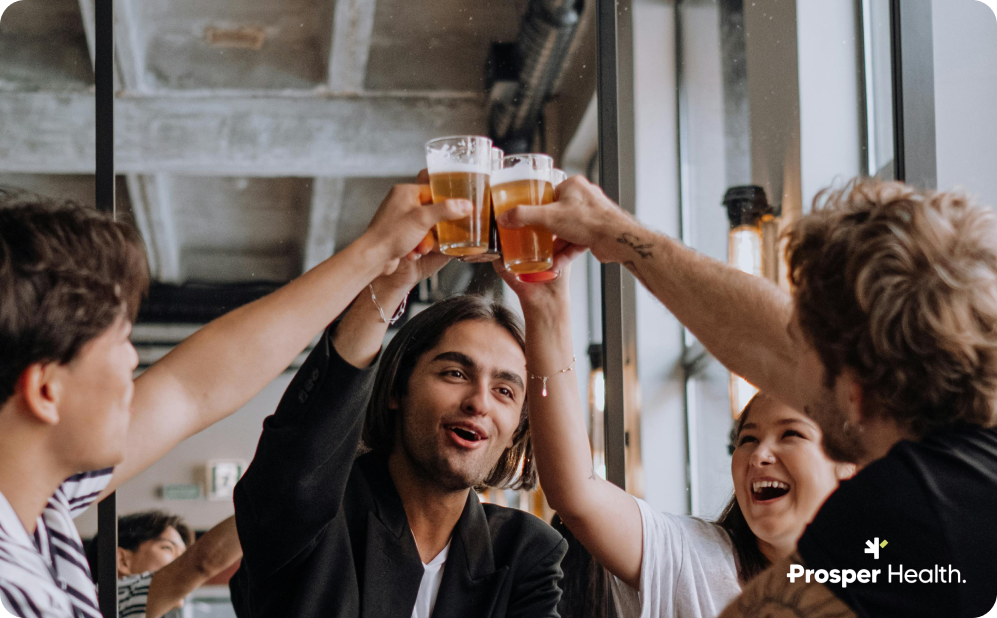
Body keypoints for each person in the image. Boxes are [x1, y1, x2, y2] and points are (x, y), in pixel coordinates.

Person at [498, 177, 997, 617]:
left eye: (807, 352)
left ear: (857, 392)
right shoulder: (969, 467)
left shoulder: (909, 508)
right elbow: (765, 339)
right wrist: (614, 235)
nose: (790, 373)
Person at [0, 183, 467, 618]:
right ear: (46, 392)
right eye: (118, 342)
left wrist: (378, 261)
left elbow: (191, 386)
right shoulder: (16, 589)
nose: (133, 361)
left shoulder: (40, 511)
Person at [496, 248, 853, 618]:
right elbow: (576, 492)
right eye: (747, 439)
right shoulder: (694, 559)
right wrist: (546, 308)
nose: (760, 454)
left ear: (849, 464)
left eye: (791, 434)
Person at [229, 255, 568, 617]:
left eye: (505, 391)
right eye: (455, 373)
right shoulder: (324, 520)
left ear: (516, 428)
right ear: (396, 389)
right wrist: (387, 288)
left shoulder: (525, 551)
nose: (479, 402)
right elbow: (296, 467)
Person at [84, 511, 241, 618]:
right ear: (122, 560)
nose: (180, 563)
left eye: (183, 556)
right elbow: (202, 563)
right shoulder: (110, 598)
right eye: (168, 548)